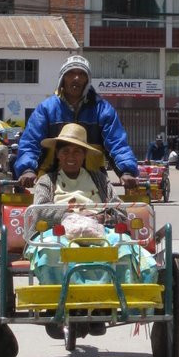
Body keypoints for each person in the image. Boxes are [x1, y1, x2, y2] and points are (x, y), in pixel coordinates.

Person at [31, 123, 125, 338]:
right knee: (51, 251)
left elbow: (119, 209)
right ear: (58, 155)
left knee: (118, 249)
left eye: (76, 151)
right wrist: (69, 216)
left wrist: (103, 217)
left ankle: (102, 303)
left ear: (84, 156)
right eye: (66, 151)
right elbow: (39, 210)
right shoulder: (47, 181)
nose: (71, 156)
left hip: (98, 231)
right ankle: (55, 303)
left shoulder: (100, 180)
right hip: (59, 233)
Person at [14, 54, 138, 190]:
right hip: (51, 182)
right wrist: (27, 169)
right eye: (71, 73)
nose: (76, 78)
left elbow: (117, 144)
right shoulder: (46, 109)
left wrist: (126, 171)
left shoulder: (103, 110)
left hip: (94, 182)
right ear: (62, 78)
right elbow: (30, 143)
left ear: (87, 80)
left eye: (81, 74)